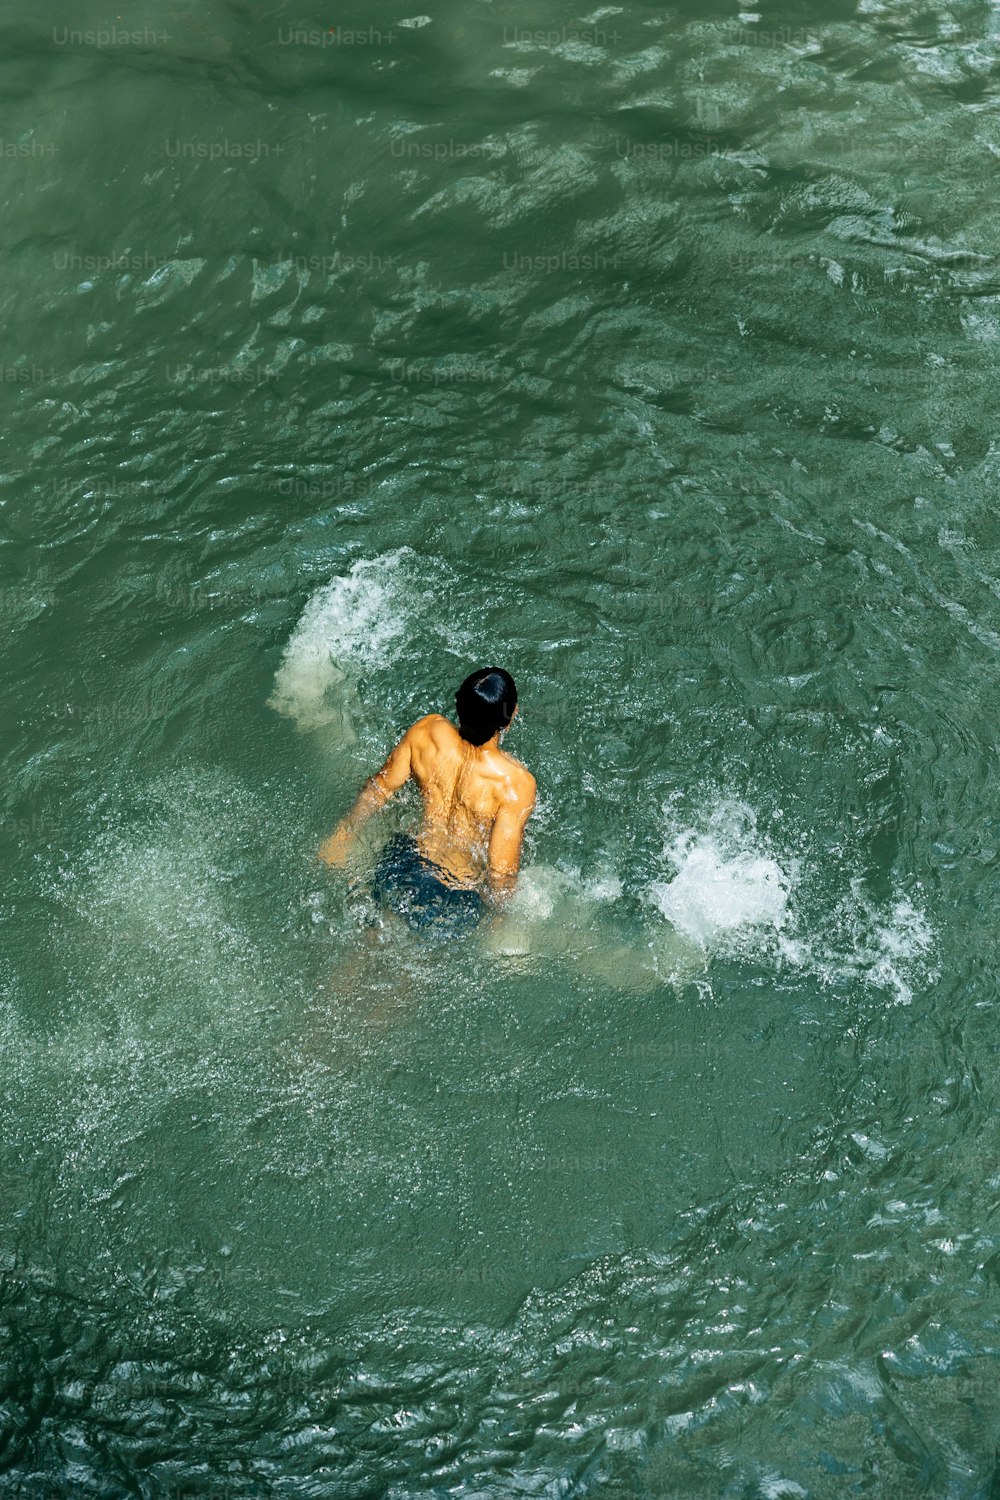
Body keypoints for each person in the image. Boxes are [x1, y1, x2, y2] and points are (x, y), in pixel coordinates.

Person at [318, 668, 536, 937]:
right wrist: (502, 920)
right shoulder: (515, 785)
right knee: (407, 974)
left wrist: (343, 834)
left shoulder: (427, 731)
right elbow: (500, 874)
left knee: (367, 944)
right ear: (510, 716)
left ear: (459, 706)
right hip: (454, 892)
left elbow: (379, 789)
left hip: (405, 859)